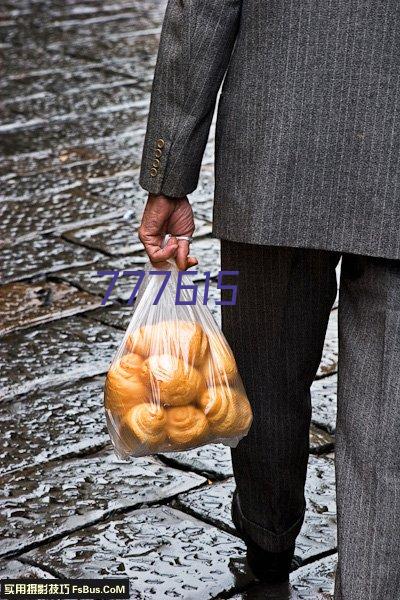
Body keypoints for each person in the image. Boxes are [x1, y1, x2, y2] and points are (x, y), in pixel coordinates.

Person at [138, 2, 400, 598]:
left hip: (276, 148)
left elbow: (201, 13)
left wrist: (167, 174)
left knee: (266, 373)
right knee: (392, 401)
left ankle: (269, 549)